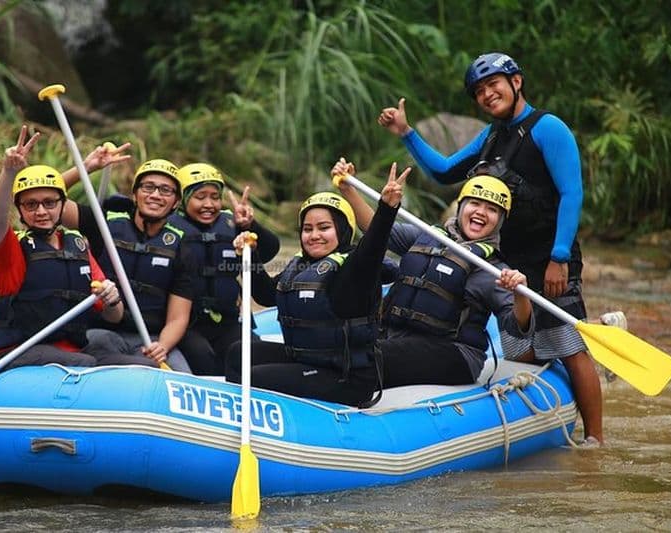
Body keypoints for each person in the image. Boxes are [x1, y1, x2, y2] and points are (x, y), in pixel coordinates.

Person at [377, 52, 603, 444]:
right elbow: (446, 171)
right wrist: (407, 133)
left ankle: (596, 440)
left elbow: (572, 192)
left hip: (550, 258)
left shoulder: (548, 128)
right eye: (479, 91)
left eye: (493, 84)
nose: (486, 94)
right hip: (504, 262)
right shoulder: (492, 135)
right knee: (519, 346)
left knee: (569, 346)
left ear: (516, 82)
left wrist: (560, 257)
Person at [225, 163, 411, 406]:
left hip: (347, 377)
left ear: (343, 230)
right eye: (307, 229)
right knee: (238, 352)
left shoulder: (357, 267)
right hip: (306, 360)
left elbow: (373, 246)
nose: (314, 236)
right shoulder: (302, 266)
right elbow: (266, 295)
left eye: (324, 228)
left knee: (255, 378)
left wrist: (387, 209)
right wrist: (248, 256)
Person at [335, 160, 533, 387]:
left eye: (492, 209)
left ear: (500, 221)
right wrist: (347, 189)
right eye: (475, 203)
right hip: (397, 337)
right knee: (341, 344)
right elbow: (376, 229)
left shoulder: (493, 269)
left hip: (455, 353)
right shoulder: (427, 236)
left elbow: (518, 327)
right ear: (461, 207)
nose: (481, 212)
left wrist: (520, 294)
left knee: (367, 356)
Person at [0, 125, 124, 371]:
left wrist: (113, 300)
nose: (41, 212)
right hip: (20, 354)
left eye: (49, 203)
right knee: (85, 364)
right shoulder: (11, 249)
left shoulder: (77, 246)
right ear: (20, 211)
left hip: (73, 350)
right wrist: (8, 172)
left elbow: (115, 316)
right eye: (31, 205)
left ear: (62, 205)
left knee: (139, 363)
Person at [59, 149, 194, 372]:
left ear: (176, 202)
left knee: (182, 374)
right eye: (148, 187)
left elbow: (178, 317)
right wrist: (87, 167)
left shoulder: (181, 247)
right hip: (102, 332)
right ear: (135, 194)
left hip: (150, 339)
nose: (155, 195)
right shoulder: (103, 223)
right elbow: (46, 197)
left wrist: (163, 346)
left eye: (166, 190)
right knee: (122, 359)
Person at [167, 163, 281, 375]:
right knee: (202, 357)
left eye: (215, 197)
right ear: (182, 199)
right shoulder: (168, 226)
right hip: (187, 324)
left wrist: (249, 226)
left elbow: (271, 248)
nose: (209, 204)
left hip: (228, 321)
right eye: (200, 197)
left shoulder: (233, 223)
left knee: (252, 353)